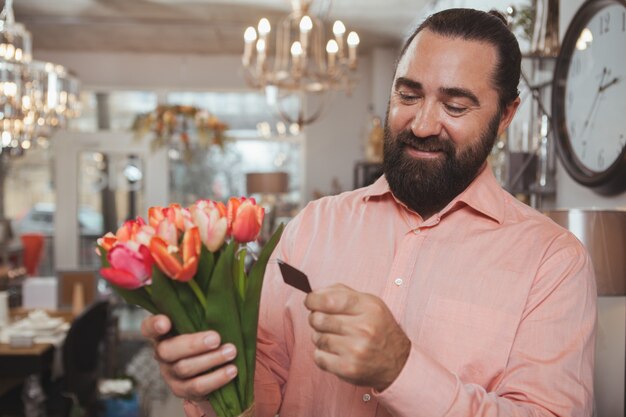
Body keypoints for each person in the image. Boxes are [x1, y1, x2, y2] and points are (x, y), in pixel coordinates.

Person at [142, 8, 596, 417]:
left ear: (505, 116)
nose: (421, 125)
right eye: (409, 95)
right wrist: (209, 382)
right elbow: (265, 380)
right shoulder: (313, 225)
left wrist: (402, 370)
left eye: (455, 105)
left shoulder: (553, 262)